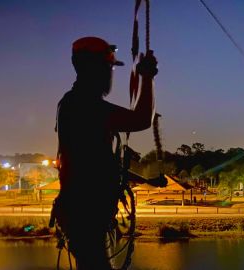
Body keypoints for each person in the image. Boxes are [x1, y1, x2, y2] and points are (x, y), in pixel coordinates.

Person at [53, 36, 157, 269]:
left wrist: (147, 181)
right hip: (87, 216)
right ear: (94, 68)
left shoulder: (71, 103)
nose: (110, 74)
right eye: (108, 67)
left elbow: (95, 164)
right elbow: (141, 119)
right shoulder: (85, 106)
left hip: (84, 214)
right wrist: (147, 77)